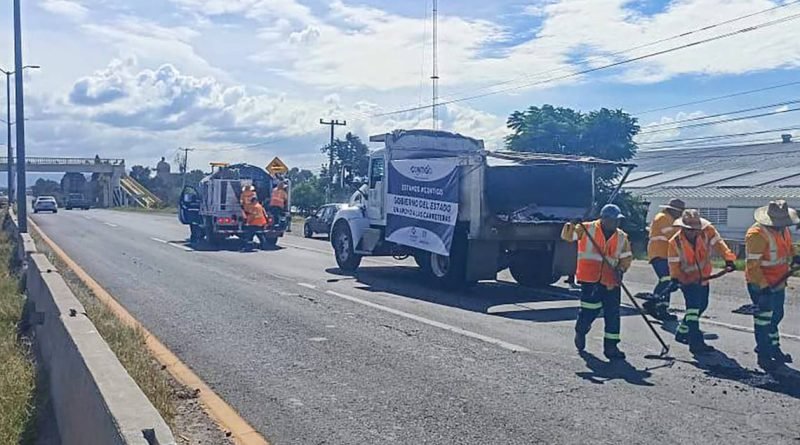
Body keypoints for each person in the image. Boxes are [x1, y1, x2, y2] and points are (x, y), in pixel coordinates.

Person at [561, 204, 632, 360]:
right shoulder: (586, 228)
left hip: (611, 280)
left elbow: (626, 257)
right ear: (604, 219)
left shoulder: (621, 237)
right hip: (590, 279)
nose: (616, 224)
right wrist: (572, 224)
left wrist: (621, 269)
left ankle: (611, 347)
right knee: (589, 311)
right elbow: (568, 237)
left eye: (618, 221)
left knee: (613, 314)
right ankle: (581, 330)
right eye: (613, 221)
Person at [668, 209, 736, 354]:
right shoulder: (675, 243)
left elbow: (720, 244)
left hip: (703, 277)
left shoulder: (707, 231)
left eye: (695, 229)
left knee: (702, 306)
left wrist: (729, 259)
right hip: (687, 279)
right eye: (690, 230)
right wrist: (675, 278)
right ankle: (696, 342)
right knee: (692, 309)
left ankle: (682, 332)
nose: (693, 232)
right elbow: (674, 263)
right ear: (683, 228)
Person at [745, 200, 800, 371]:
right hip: (761, 284)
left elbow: (787, 247)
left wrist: (795, 256)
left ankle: (773, 348)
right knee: (763, 320)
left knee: (776, 316)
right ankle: (763, 354)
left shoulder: (782, 229)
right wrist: (764, 287)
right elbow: (753, 266)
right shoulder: (756, 234)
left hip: (779, 281)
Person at [644, 198, 686, 321]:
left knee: (668, 281)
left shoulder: (670, 219)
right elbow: (674, 237)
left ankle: (660, 308)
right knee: (666, 280)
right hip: (659, 254)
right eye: (680, 212)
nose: (681, 214)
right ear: (673, 210)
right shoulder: (663, 218)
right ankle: (654, 304)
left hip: (666, 255)